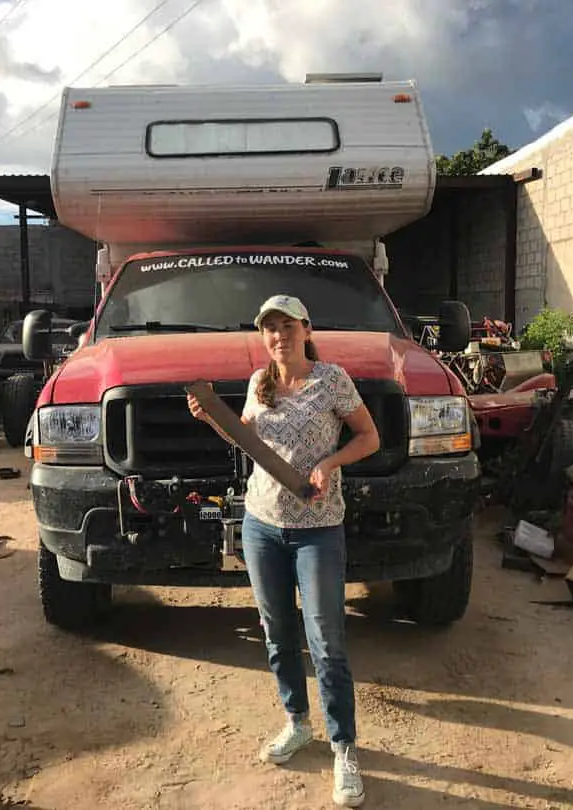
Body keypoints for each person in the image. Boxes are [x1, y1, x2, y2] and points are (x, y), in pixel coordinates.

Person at [187, 294, 380, 808]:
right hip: (261, 525)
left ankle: (344, 748)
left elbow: (370, 437)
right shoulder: (259, 382)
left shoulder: (332, 379)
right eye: (270, 329)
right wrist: (213, 418)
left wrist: (331, 463)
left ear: (306, 328)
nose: (279, 336)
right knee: (276, 631)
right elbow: (250, 440)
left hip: (318, 526)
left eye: (287, 326)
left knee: (326, 641)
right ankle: (297, 722)